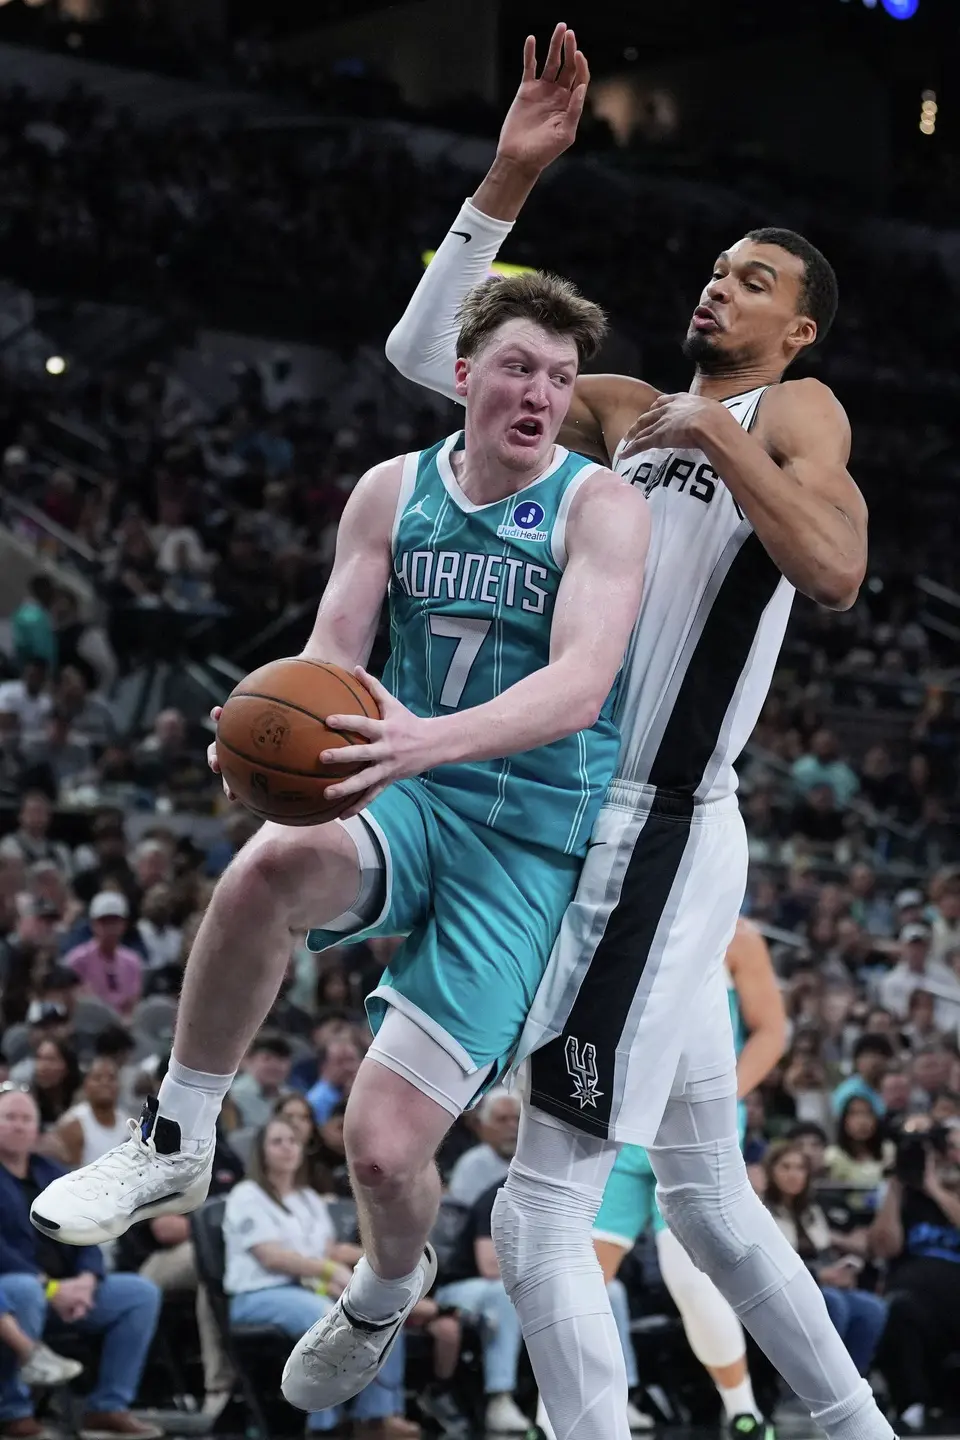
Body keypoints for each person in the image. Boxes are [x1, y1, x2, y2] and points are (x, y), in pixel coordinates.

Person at [31, 249, 650, 1423]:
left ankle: (379, 1290)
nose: (541, 393)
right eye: (519, 367)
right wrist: (260, 735)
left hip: (526, 839)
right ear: (464, 373)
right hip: (403, 789)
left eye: (562, 378)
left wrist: (427, 740)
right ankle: (176, 1132)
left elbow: (579, 686)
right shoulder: (390, 490)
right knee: (266, 864)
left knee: (379, 1149)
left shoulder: (597, 505)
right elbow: (330, 661)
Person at [381, 25, 894, 1440]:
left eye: (758, 279)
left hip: (662, 828)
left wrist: (719, 435)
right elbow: (435, 355)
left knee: (545, 1198)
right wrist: (507, 183)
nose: (721, 282)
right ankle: (859, 1429)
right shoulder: (611, 411)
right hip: (586, 820)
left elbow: (839, 574)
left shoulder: (794, 409)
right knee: (708, 1198)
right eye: (721, 265)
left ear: (797, 329)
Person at [592, 920, 787, 1438]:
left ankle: (744, 1413)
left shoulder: (738, 936)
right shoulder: (617, 913)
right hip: (617, 1124)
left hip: (695, 1128)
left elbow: (771, 1030)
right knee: (580, 1279)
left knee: (692, 1282)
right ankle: (553, 1421)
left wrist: (724, 1098)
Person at [223, 1117, 417, 1437]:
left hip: (307, 1290)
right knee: (331, 1319)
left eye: (293, 1141)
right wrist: (328, 1271)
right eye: (277, 1141)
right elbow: (271, 1256)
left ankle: (376, 1417)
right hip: (257, 1294)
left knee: (381, 1309)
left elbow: (328, 1250)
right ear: (261, 1151)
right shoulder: (247, 1194)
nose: (287, 1148)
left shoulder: (309, 1198)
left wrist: (385, 1258)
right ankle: (323, 1424)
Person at [0, 1089, 162, 1439]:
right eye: (9, 1117)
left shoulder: (55, 1172)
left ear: (36, 1129)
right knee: (24, 1290)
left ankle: (108, 1407)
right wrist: (50, 1287)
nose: (18, 1125)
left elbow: (89, 1224)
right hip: (17, 1290)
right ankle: (15, 1412)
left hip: (72, 1289)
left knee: (140, 1293)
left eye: (25, 1118)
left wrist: (88, 1280)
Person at [763, 1144, 886, 1377]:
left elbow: (825, 1253)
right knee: (832, 1304)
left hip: (822, 1283)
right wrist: (820, 1275)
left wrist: (842, 1273)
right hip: (785, 1288)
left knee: (872, 1308)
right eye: (785, 1167)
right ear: (771, 1171)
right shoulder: (762, 1211)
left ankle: (852, 1384)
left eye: (800, 1168)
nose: (793, 1174)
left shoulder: (812, 1210)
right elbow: (771, 1263)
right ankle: (814, 1385)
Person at [870, 1117, 960, 1431]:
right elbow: (885, 1247)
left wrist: (934, 1186)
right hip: (913, 1294)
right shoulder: (901, 1195)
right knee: (899, 1310)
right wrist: (896, 1185)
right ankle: (911, 1405)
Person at [63, 895, 143, 1020]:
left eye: (115, 922)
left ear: (124, 925)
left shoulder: (132, 961)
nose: (110, 928)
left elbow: (133, 1002)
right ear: (93, 924)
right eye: (104, 922)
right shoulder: (77, 959)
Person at [447, 1088, 520, 1206]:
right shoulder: (472, 1165)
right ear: (484, 1126)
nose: (513, 1127)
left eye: (518, 1119)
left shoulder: (536, 1163)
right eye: (502, 1119)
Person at [55, 1058, 130, 1169]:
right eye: (97, 1078)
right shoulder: (72, 1125)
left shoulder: (129, 1124)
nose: (105, 1083)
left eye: (111, 1078)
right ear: (86, 1085)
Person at [824, 1099, 894, 1188]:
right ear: (844, 1120)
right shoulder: (832, 1156)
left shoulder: (888, 1151)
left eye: (867, 1114)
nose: (862, 1121)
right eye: (855, 1114)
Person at [228, 1034, 293, 1130]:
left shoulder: (291, 1099)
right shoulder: (232, 1096)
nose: (275, 1066)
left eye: (282, 1060)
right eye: (267, 1058)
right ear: (248, 1060)